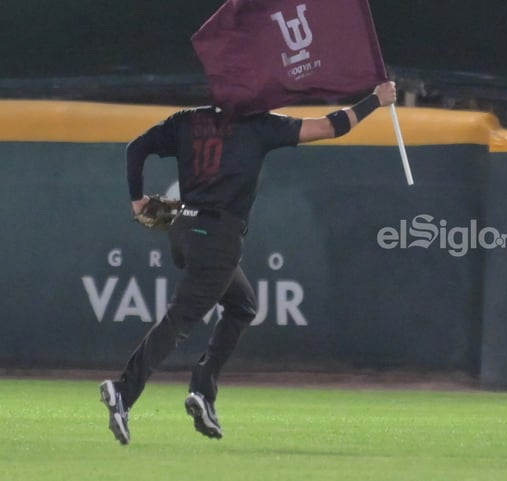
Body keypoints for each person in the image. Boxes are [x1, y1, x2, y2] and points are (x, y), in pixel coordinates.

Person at [100, 81, 397, 445]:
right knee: (180, 321)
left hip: (184, 229)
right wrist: (375, 101)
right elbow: (331, 125)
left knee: (242, 305)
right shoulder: (259, 125)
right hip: (217, 238)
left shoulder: (186, 120)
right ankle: (123, 391)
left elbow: (137, 147)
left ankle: (203, 391)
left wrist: (136, 200)